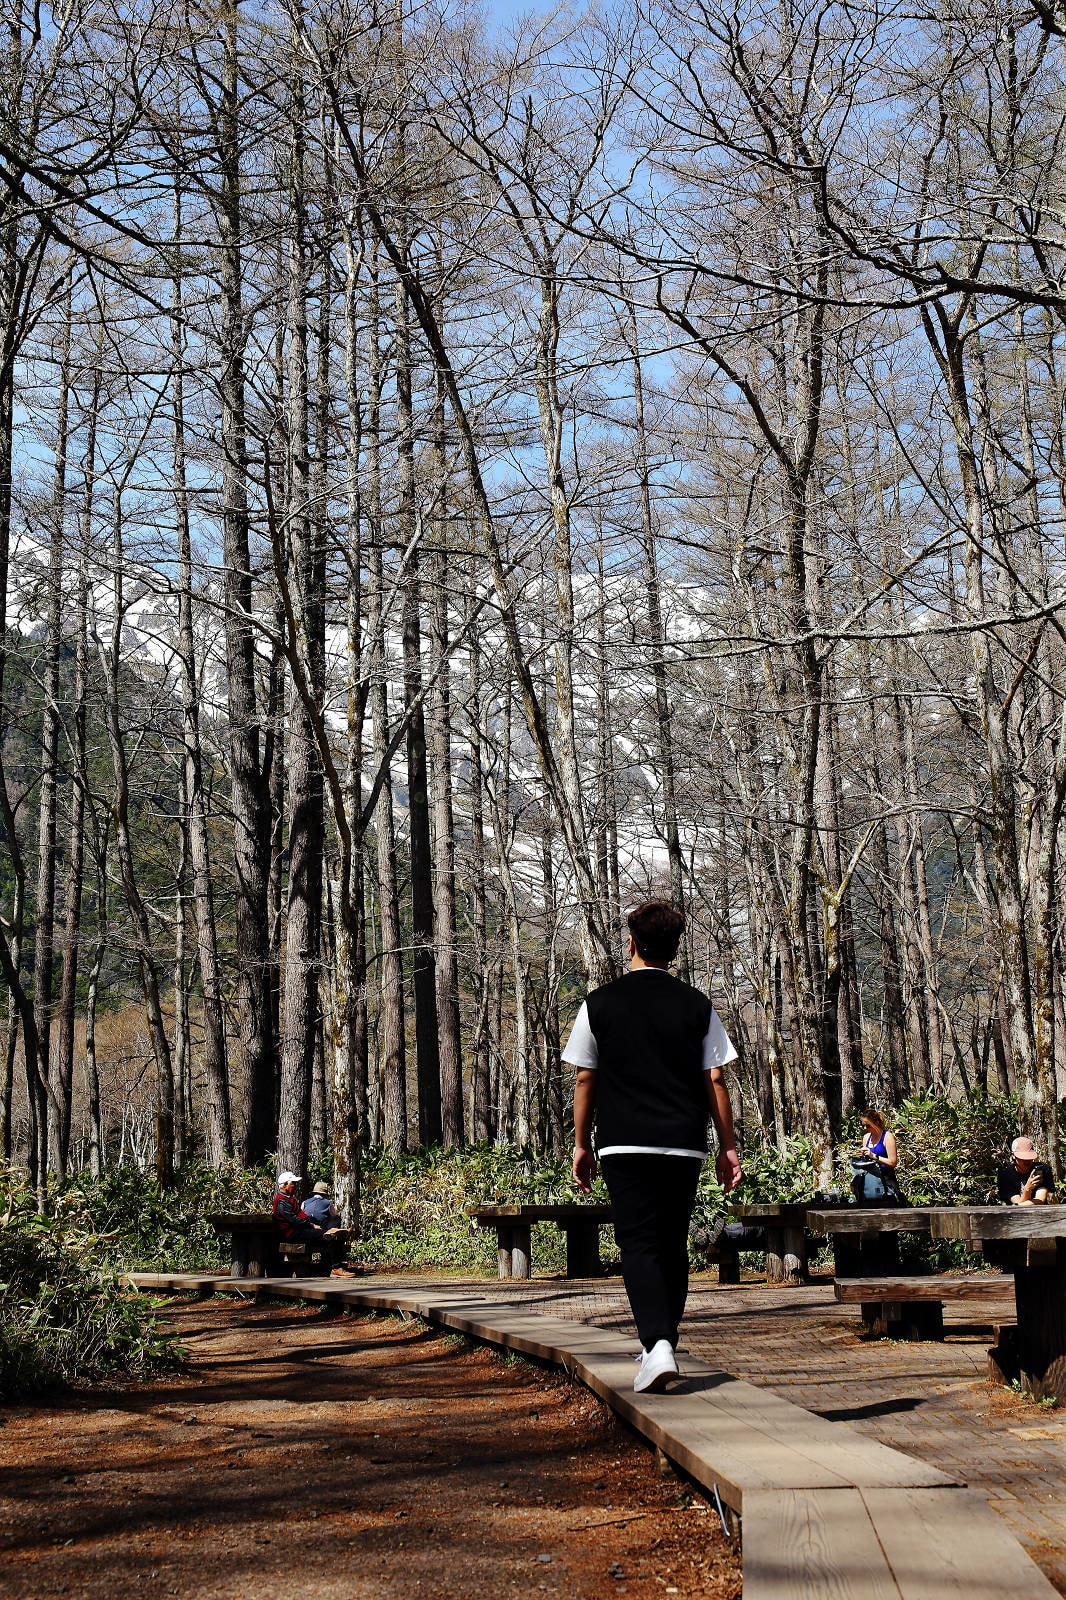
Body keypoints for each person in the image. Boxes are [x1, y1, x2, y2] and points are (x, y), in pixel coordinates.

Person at [566, 901, 742, 1395]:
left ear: (631, 944)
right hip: (683, 1142)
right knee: (671, 1244)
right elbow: (715, 1080)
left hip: (623, 1143)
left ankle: (657, 1345)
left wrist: (582, 1144)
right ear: (675, 948)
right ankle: (660, 1343)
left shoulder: (599, 1003)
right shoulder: (697, 1005)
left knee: (639, 1244)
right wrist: (728, 1147)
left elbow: (585, 1076)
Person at [272, 1172, 354, 1275]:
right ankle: (336, 1267)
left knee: (333, 1223)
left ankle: (333, 1231)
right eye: (293, 1183)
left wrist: (313, 1224)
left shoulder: (289, 1199)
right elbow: (294, 1220)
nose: (296, 1186)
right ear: (284, 1185)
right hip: (294, 1233)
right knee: (330, 1236)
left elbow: (302, 1216)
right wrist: (312, 1225)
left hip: (302, 1228)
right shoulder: (282, 1201)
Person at [849, 1109, 904, 1204]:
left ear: (876, 1123)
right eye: (863, 1125)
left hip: (886, 1181)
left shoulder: (887, 1137)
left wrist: (874, 1156)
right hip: (870, 1182)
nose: (865, 1128)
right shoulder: (866, 1138)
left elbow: (893, 1162)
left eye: (868, 1125)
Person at [997, 1137, 1055, 1206]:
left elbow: (1040, 1200)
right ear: (1013, 1156)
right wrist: (1027, 1188)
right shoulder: (1005, 1176)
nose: (1027, 1161)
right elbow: (1019, 1202)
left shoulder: (1042, 1170)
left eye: (1029, 1157)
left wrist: (1017, 1205)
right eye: (1022, 1158)